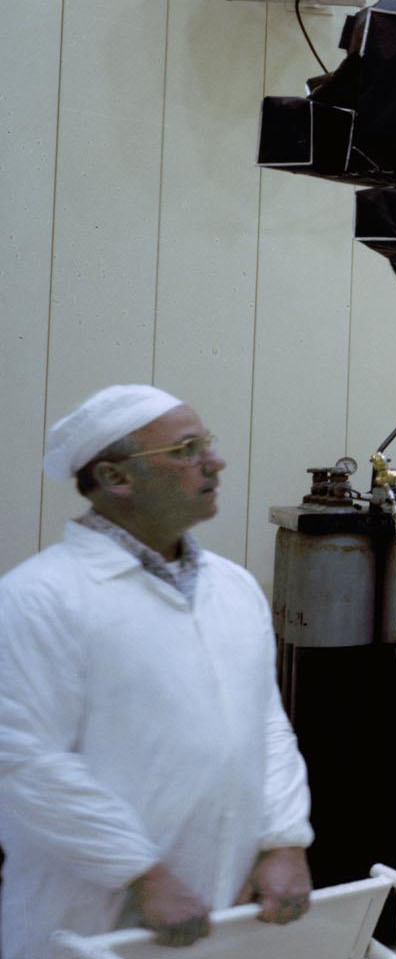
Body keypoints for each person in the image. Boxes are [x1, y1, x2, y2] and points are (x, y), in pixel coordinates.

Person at [0, 387, 313, 951]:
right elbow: (26, 761)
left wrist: (285, 841)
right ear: (116, 478)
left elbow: (265, 726)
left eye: (206, 444)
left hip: (221, 903)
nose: (213, 462)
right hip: (90, 911)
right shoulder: (38, 597)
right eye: (186, 450)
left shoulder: (234, 588)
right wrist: (143, 874)